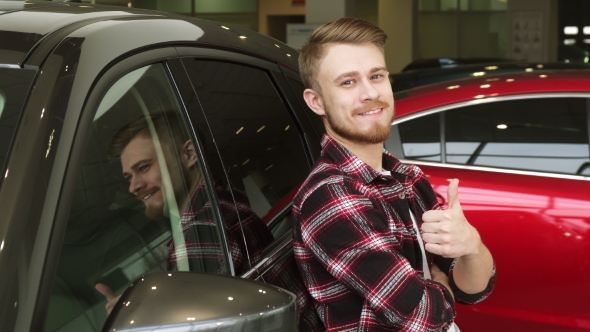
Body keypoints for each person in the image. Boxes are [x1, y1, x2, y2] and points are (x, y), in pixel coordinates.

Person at [293, 18, 496, 331]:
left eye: (376, 76)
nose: (369, 92)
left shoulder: (405, 176)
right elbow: (422, 316)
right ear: (316, 101)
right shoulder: (333, 197)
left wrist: (472, 245)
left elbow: (476, 289)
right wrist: (444, 282)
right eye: (348, 82)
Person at [95, 112, 274, 314]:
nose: (133, 187)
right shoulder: (224, 201)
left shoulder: (200, 232)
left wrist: (136, 317)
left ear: (189, 154)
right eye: (129, 177)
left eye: (144, 167)